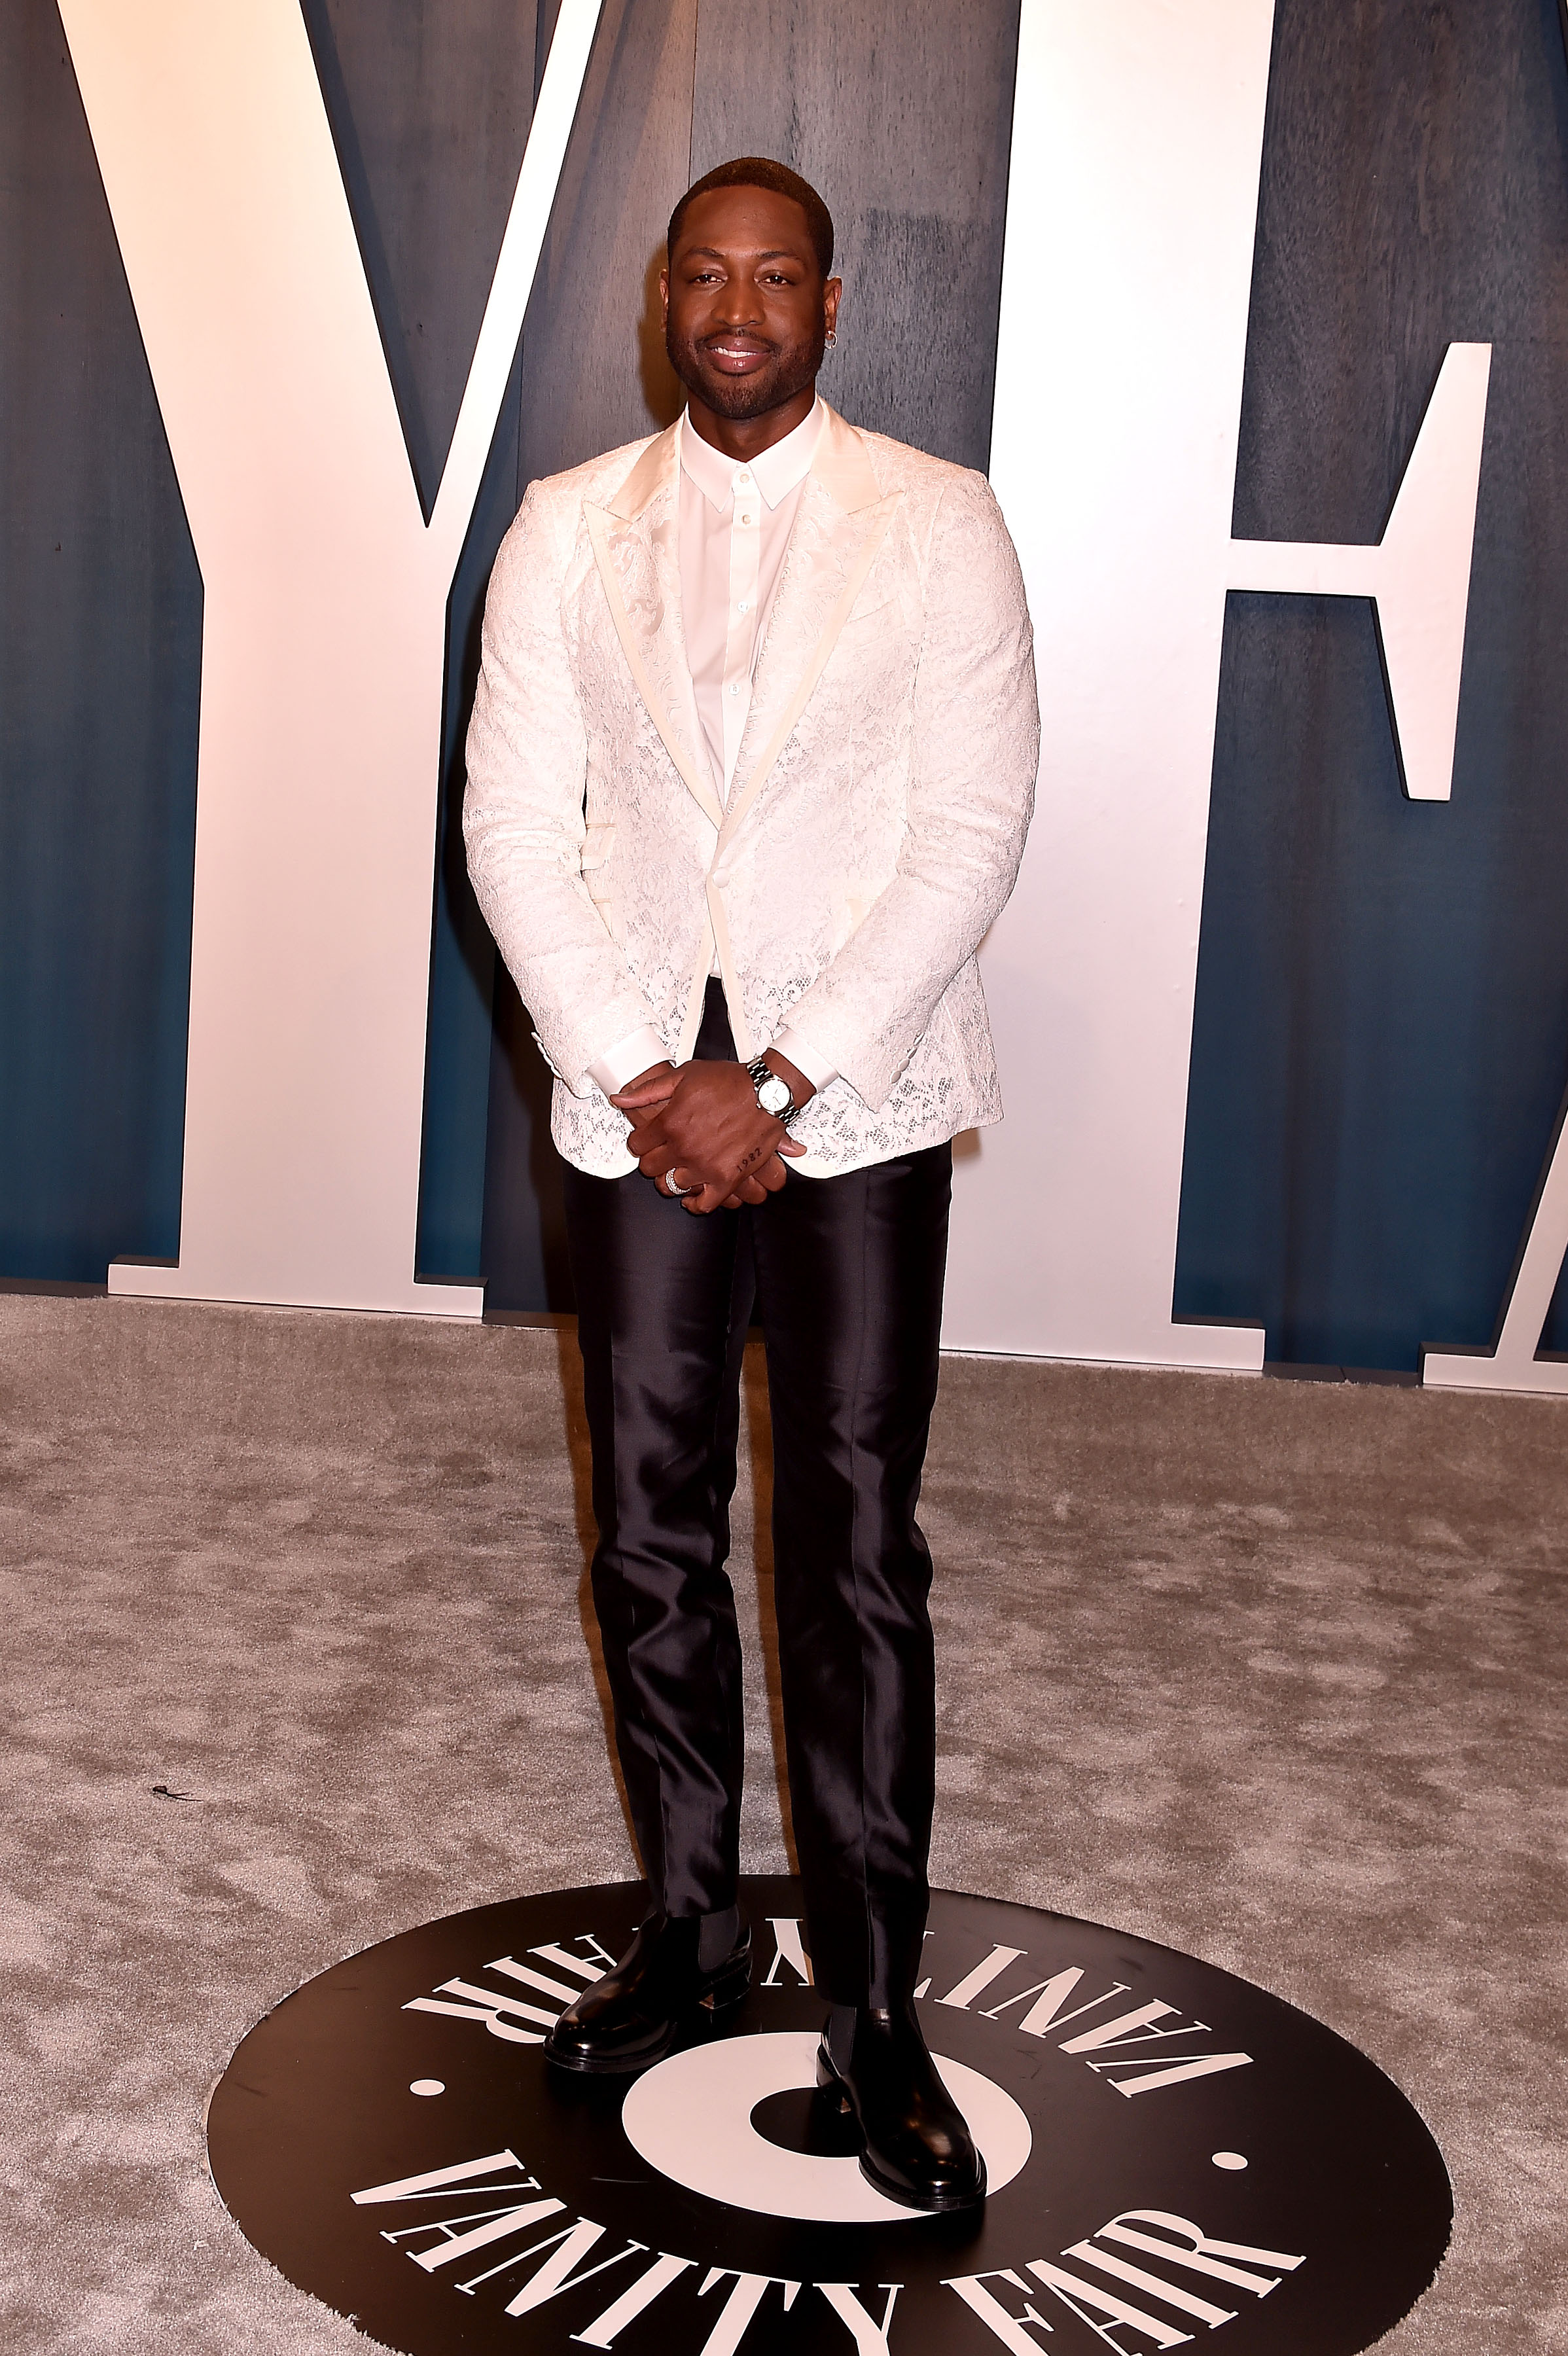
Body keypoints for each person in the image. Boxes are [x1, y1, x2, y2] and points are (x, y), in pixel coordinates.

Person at [464, 156, 1038, 2212]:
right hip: (632, 1102)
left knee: (856, 1536)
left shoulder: (940, 521)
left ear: (828, 298)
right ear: (659, 298)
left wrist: (776, 1079)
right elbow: (517, 829)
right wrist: (644, 1074)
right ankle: (694, 1929)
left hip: (852, 1104)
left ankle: (875, 2013)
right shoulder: (556, 531)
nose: (733, 308)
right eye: (700, 275)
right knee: (649, 1526)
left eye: (770, 276)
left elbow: (970, 829)